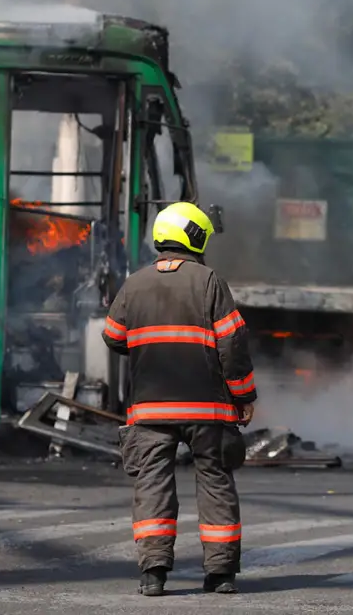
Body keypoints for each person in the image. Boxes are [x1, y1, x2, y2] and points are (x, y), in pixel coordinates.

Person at [102, 202, 258, 598]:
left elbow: (113, 336)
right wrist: (244, 396)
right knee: (216, 482)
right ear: (196, 237)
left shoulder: (134, 283)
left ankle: (153, 574)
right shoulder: (209, 281)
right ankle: (220, 575)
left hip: (151, 410)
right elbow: (232, 343)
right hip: (208, 409)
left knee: (152, 484)